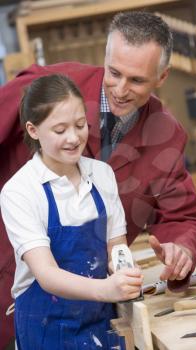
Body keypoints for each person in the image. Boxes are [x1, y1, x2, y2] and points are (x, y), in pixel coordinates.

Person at [0, 10, 196, 346]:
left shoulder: (166, 136)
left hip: (97, 303)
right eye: (114, 73)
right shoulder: (48, 88)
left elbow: (181, 216)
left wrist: (181, 248)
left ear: (162, 76)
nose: (121, 90)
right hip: (16, 278)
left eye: (137, 81)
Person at [0, 74, 143, 349]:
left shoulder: (102, 174)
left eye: (80, 125)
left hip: (102, 322)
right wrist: (106, 289)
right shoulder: (20, 191)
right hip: (46, 328)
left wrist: (123, 269)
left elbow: (116, 245)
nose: (73, 138)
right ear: (33, 130)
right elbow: (47, 274)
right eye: (60, 130)